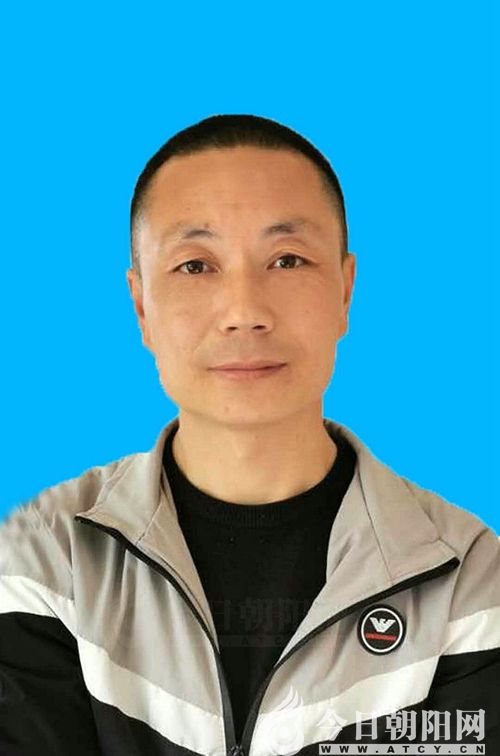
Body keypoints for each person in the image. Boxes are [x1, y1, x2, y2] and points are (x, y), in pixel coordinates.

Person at [1, 114, 499, 756]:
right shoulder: (43, 560)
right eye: (195, 265)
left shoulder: (467, 579)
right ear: (141, 305)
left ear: (346, 291)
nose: (244, 312)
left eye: (287, 260)